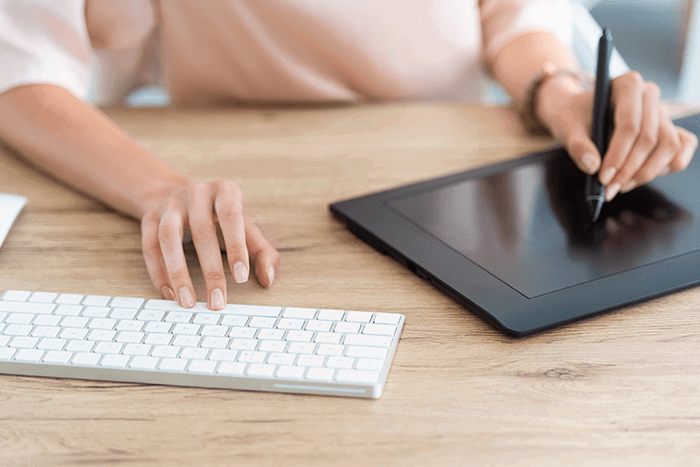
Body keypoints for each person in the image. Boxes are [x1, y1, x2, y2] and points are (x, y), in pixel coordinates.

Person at [0, 0, 696, 311]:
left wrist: (558, 91)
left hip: (443, 188)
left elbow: (513, 15)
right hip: (239, 176)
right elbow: (19, 71)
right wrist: (156, 189)